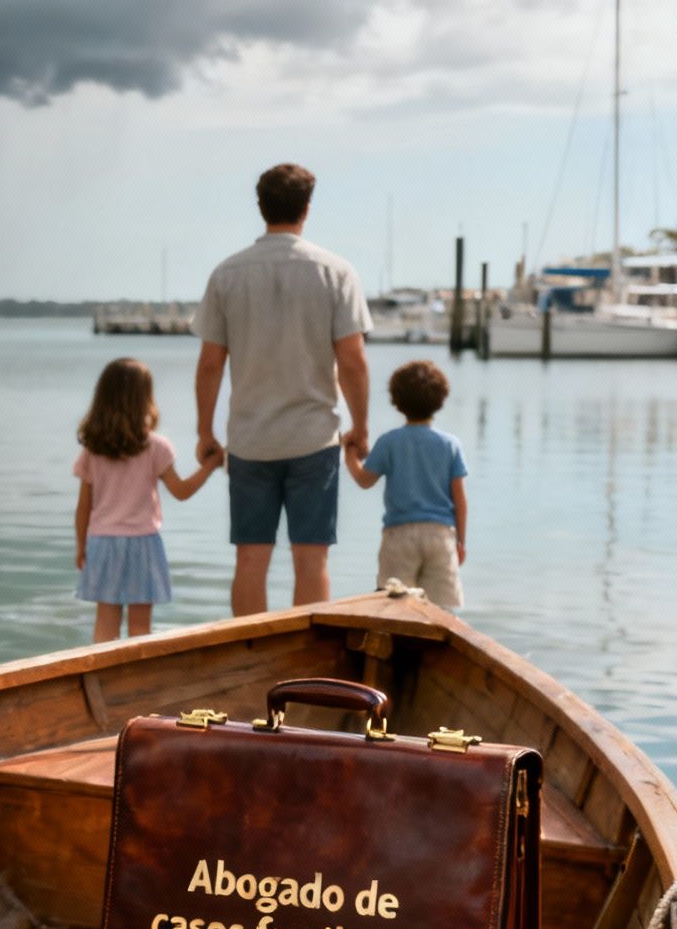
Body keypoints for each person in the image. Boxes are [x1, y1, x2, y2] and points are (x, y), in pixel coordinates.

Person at [192, 163, 373, 616]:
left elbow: (211, 364)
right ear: (306, 208)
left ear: (261, 207)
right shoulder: (336, 272)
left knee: (250, 558)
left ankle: (251, 657)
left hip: (251, 440)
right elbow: (352, 362)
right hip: (314, 439)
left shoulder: (227, 274)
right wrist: (361, 426)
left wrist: (204, 432)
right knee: (311, 558)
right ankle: (308, 664)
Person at [73, 358, 221, 641]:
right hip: (143, 542)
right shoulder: (155, 447)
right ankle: (135, 680)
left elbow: (83, 508)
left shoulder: (93, 449)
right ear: (146, 399)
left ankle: (104, 680)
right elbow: (181, 491)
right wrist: (209, 467)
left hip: (103, 542)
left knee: (105, 623)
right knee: (141, 628)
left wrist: (82, 546)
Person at [343, 360, 470, 610]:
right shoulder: (450, 444)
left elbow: (364, 480)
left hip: (399, 535)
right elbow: (460, 500)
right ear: (440, 399)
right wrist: (461, 542)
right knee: (441, 611)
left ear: (396, 401)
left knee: (394, 608)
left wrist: (350, 454)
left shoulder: (390, 442)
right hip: (440, 534)